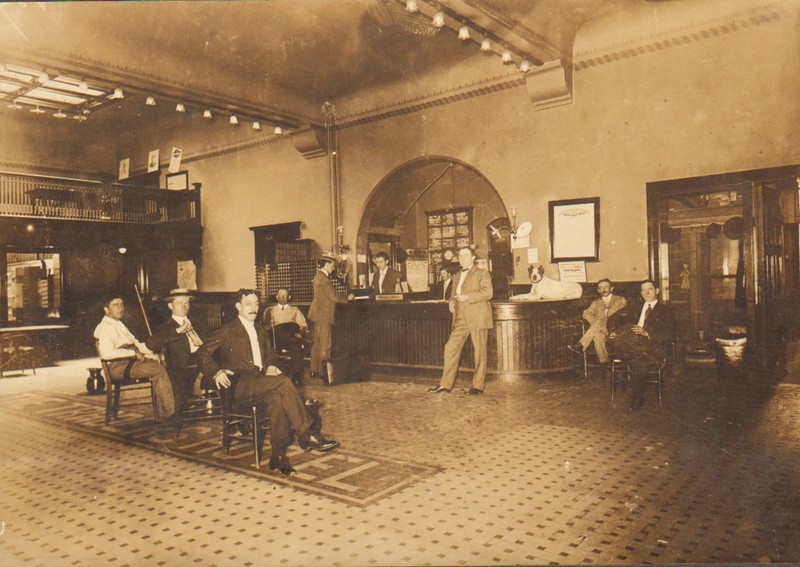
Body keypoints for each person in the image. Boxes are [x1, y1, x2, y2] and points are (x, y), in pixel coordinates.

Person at [198, 289, 338, 475]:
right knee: (283, 383)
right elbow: (202, 353)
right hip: (238, 385)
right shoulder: (228, 329)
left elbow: (272, 355)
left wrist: (273, 365)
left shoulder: (260, 330)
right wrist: (216, 372)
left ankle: (278, 456)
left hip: (259, 383)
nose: (254, 308)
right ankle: (306, 433)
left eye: (256, 304)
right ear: (238, 306)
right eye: (248, 304)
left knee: (277, 398)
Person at [94, 295, 175, 424]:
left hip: (130, 363)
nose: (120, 308)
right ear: (106, 310)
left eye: (122, 305)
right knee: (158, 370)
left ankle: (167, 408)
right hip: (118, 367)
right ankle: (168, 414)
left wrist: (152, 350)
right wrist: (132, 352)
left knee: (165, 363)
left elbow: (136, 345)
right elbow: (107, 354)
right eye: (116, 305)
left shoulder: (119, 324)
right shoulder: (104, 328)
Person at [428, 247, 494, 395]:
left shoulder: (482, 273)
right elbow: (453, 294)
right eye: (461, 256)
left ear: (472, 258)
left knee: (480, 353)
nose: (463, 258)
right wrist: (451, 302)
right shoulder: (457, 275)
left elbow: (488, 292)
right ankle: (446, 384)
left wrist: (468, 297)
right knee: (450, 348)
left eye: (466, 255)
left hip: (477, 317)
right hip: (460, 318)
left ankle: (478, 386)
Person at [608, 279, 674, 412]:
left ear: (657, 291)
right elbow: (613, 318)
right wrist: (613, 331)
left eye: (649, 289)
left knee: (639, 360)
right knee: (628, 347)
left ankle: (637, 398)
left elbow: (669, 335)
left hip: (652, 347)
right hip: (632, 344)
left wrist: (646, 333)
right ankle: (626, 350)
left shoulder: (666, 311)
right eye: (643, 290)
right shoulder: (634, 307)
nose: (646, 292)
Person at [145, 288, 206, 405]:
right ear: (170, 306)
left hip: (203, 359)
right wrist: (177, 331)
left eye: (186, 303)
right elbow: (151, 344)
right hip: (181, 366)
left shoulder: (198, 323)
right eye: (179, 303)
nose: (184, 307)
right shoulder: (165, 327)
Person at [308, 253, 354, 382]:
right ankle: (325, 372)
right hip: (323, 315)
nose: (333, 268)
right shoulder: (323, 279)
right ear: (327, 264)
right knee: (325, 344)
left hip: (317, 314)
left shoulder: (318, 276)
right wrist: (347, 298)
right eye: (332, 265)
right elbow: (333, 295)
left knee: (316, 343)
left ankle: (314, 370)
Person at [568, 278, 627, 368]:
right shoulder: (596, 303)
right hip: (601, 330)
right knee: (597, 336)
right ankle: (604, 363)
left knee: (599, 323)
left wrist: (600, 322)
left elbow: (624, 315)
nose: (604, 289)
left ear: (611, 288)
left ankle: (581, 345)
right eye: (601, 287)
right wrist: (597, 324)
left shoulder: (620, 300)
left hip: (616, 330)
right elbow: (586, 313)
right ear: (598, 290)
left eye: (606, 286)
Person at [261, 288, 308, 387]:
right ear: (277, 297)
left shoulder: (295, 310)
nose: (282, 297)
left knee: (296, 346)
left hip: (291, 335)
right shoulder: (270, 310)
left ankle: (296, 377)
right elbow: (265, 327)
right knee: (277, 330)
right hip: (276, 338)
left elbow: (303, 325)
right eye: (280, 295)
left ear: (289, 297)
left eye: (285, 295)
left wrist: (300, 333)